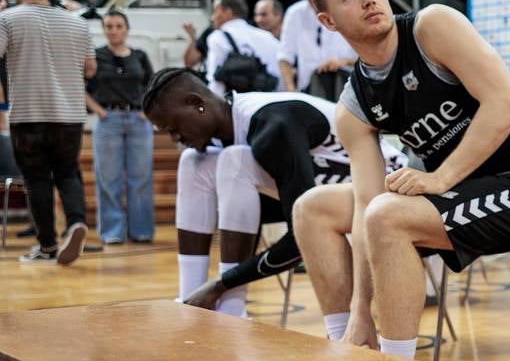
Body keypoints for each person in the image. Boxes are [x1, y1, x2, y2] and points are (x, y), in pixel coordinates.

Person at [292, 0, 510, 361]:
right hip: (454, 195)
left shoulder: (432, 27)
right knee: (314, 207)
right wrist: (359, 313)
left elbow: (507, 102)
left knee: (390, 217)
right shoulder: (353, 106)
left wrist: (438, 178)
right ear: (328, 20)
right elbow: (363, 209)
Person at [141, 67, 407, 323]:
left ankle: (231, 310)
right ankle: (189, 298)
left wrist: (221, 284)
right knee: (193, 162)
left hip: (385, 191)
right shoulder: (234, 122)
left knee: (235, 159)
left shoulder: (273, 127)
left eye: (174, 127)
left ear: (196, 103)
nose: (175, 137)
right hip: (324, 190)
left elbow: (300, 239)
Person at [0, 0, 95, 264]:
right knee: (68, 173)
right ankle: (76, 221)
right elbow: (91, 68)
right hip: (70, 114)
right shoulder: (78, 23)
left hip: (28, 113)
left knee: (38, 180)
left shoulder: (8, 19)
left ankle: (48, 246)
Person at [85, 10, 155, 245]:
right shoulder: (95, 56)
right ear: (104, 30)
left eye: (118, 26)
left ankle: (142, 230)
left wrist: (146, 112)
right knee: (108, 178)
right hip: (108, 120)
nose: (113, 30)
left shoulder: (140, 56)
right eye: (109, 26)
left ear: (127, 29)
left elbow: (153, 87)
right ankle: (113, 231)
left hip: (138, 119)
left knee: (141, 177)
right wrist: (99, 111)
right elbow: (79, 85)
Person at [278, 0, 356, 99]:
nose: (315, 6)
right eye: (310, 1)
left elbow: (369, 57)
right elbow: (285, 56)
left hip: (348, 86)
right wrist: (291, 91)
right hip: (309, 88)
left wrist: (343, 62)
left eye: (319, 0)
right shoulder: (295, 12)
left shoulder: (348, 10)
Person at [203, 0, 282, 96]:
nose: (212, 17)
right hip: (270, 103)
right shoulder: (268, 37)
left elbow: (215, 83)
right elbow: (280, 78)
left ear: (228, 12)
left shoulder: (218, 37)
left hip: (237, 105)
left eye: (215, 11)